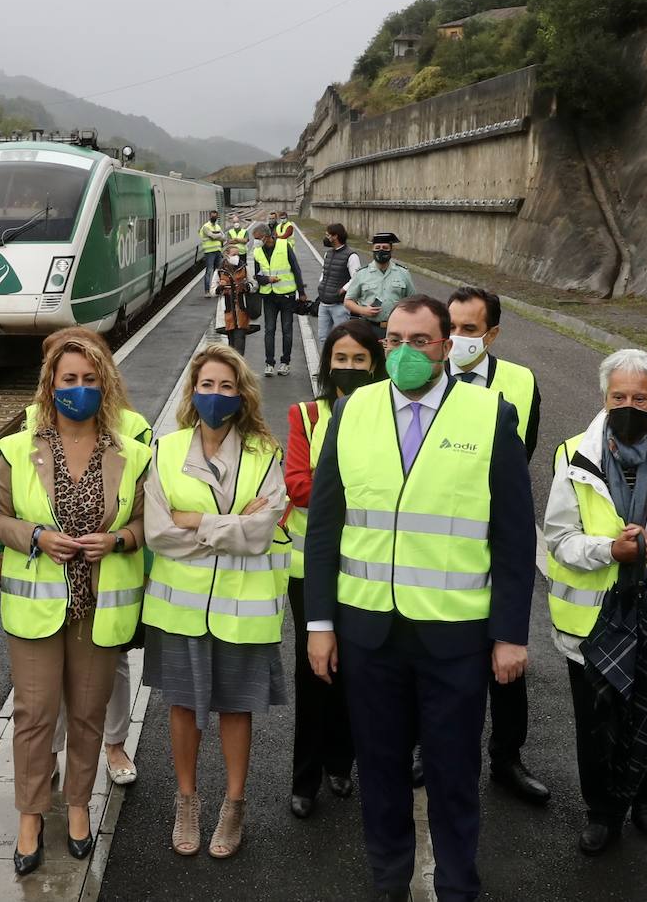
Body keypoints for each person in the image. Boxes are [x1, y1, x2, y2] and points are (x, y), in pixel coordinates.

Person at [304, 295, 535, 902]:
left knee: (454, 773)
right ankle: (389, 881)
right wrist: (319, 624)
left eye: (422, 342)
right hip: (367, 633)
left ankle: (459, 885)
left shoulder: (490, 415)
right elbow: (325, 528)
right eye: (396, 341)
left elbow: (514, 536)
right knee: (379, 772)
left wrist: (511, 633)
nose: (406, 353)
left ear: (447, 348)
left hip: (453, 637)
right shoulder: (352, 412)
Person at [0, 332, 151, 876]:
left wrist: (121, 539)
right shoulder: (19, 447)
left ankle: (78, 805)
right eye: (68, 380)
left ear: (103, 383)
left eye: (88, 379)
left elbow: (152, 523)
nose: (78, 389)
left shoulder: (131, 453)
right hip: (37, 607)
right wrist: (33, 536)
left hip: (98, 607)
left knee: (86, 714)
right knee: (34, 715)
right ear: (50, 386)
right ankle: (31, 815)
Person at [544, 348, 647, 855]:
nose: (629, 405)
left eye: (640, 397)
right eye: (619, 396)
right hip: (596, 617)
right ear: (603, 397)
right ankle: (602, 812)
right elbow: (560, 537)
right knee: (598, 724)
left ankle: (643, 793)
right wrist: (608, 550)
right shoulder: (573, 454)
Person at [142, 345, 289, 860]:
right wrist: (230, 526)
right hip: (179, 608)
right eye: (207, 385)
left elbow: (262, 533)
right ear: (193, 391)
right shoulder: (165, 450)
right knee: (182, 705)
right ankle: (187, 801)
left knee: (234, 708)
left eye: (227, 386)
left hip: (240, 607)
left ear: (241, 394)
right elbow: (159, 532)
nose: (216, 395)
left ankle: (233, 803)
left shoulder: (264, 453)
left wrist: (195, 521)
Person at [443, 285, 549, 805]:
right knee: (434, 653)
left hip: (496, 536)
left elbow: (520, 455)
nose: (457, 339)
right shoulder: (421, 375)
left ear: (492, 334)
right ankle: (426, 747)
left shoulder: (520, 382)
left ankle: (507, 757)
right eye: (452, 328)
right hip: (436, 540)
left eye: (469, 329)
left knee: (506, 651)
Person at [283, 320, 386, 820]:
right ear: (327, 364)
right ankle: (305, 777)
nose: (348, 368)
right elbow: (298, 486)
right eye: (340, 359)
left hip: (367, 566)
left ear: (374, 365)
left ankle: (340, 762)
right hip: (311, 568)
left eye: (358, 360)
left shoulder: (388, 416)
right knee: (312, 671)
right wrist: (356, 486)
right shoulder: (305, 414)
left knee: (354, 670)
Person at [251, 225, 308, 377]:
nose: (255, 242)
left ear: (266, 236)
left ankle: (285, 362)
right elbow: (257, 275)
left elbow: (296, 269)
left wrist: (301, 292)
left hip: (286, 296)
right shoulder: (257, 252)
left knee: (287, 330)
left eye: (257, 238)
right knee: (269, 330)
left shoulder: (284, 245)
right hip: (268, 296)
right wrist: (267, 279)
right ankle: (269, 363)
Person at [344, 232, 417, 330]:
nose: (381, 251)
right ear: (372, 250)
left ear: (391, 250)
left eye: (385, 248)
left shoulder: (403, 273)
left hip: (396, 328)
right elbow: (348, 301)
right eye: (377, 248)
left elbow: (414, 302)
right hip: (369, 327)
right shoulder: (362, 273)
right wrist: (363, 310)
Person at [315, 223, 361, 344]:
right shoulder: (328, 254)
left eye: (328, 235)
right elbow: (324, 272)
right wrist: (321, 284)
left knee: (342, 339)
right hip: (324, 303)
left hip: (340, 305)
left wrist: (343, 289)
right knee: (323, 338)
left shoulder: (351, 256)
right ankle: (326, 363)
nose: (326, 238)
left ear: (335, 236)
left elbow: (357, 278)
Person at [211, 244, 257, 354]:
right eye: (234, 254)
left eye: (238, 254)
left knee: (240, 340)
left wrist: (247, 287)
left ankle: (239, 366)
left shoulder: (244, 268)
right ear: (226, 255)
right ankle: (234, 366)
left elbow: (254, 285)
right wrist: (220, 288)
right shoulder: (219, 271)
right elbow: (212, 291)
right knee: (231, 343)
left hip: (242, 309)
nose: (237, 257)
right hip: (228, 311)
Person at [199, 210, 224, 295]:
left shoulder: (217, 226)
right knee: (209, 271)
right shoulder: (206, 226)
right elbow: (212, 236)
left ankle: (218, 290)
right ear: (209, 216)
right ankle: (207, 291)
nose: (214, 217)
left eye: (215, 216)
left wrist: (217, 236)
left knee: (218, 271)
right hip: (209, 252)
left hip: (218, 251)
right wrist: (218, 235)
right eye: (212, 216)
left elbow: (223, 237)